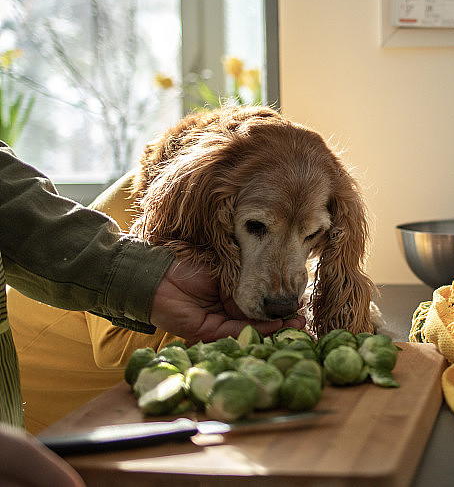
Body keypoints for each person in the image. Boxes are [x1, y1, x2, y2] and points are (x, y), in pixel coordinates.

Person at [0, 140, 304, 484]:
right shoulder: (145, 201)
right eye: (257, 226)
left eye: (312, 234)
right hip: (45, 431)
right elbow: (114, 349)